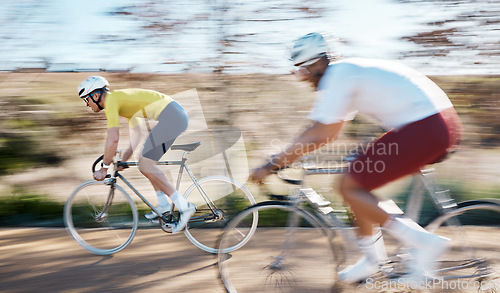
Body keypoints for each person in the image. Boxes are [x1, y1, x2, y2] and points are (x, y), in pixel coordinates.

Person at [249, 33, 463, 283]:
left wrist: (273, 163)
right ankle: (373, 261)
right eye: (298, 73)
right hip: (432, 124)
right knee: (355, 181)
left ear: (319, 63)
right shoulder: (344, 74)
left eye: (304, 71)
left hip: (427, 127)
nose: (303, 79)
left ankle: (425, 244)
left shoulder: (337, 76)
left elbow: (321, 135)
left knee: (348, 185)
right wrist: (283, 156)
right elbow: (321, 128)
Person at [77, 76, 196, 234]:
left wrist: (104, 168)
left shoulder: (112, 101)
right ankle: (164, 205)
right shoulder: (120, 101)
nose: (87, 104)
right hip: (174, 115)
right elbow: (137, 134)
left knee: (146, 164)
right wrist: (123, 160)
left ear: (96, 95)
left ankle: (184, 207)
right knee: (144, 161)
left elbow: (113, 139)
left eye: (86, 99)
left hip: (172, 116)